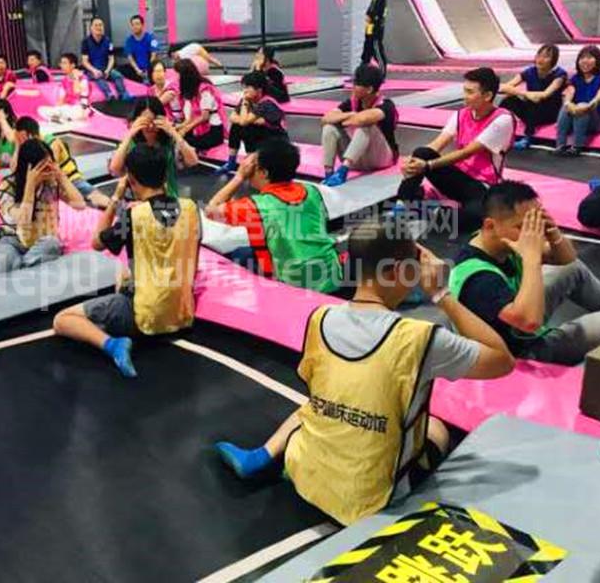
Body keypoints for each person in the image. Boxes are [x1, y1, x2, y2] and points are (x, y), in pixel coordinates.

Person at [214, 221, 514, 526]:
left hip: (306, 475)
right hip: (369, 502)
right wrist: (441, 295)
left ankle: (264, 455)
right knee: (435, 427)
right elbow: (502, 360)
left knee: (320, 402)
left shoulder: (320, 317)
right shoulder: (420, 338)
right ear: (398, 271)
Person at [53, 143, 201, 378]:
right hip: (182, 311)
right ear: (165, 175)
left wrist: (115, 198)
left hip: (146, 314)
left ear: (130, 179)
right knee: (124, 271)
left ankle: (114, 344)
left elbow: (96, 242)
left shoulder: (134, 215)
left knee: (62, 320)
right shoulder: (191, 209)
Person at [450, 180, 600, 366]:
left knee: (571, 269)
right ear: (490, 226)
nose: (532, 234)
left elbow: (568, 259)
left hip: (519, 319)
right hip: (517, 354)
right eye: (522, 227)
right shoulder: (479, 279)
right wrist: (531, 257)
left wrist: (553, 232)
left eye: (534, 224)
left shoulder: (498, 241)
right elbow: (529, 322)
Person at [206, 142, 341, 293]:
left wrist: (239, 177)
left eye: (253, 166)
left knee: (239, 254)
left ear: (264, 173)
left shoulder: (256, 206)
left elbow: (211, 210)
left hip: (295, 287)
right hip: (332, 276)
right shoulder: (312, 191)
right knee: (246, 251)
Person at [396, 67, 513, 232]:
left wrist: (428, 166)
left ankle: (430, 211)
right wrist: (413, 161)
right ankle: (404, 202)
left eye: (470, 92)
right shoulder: (461, 114)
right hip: (458, 177)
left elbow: (467, 152)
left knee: (474, 218)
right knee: (422, 152)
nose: (465, 96)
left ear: (487, 96)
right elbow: (436, 144)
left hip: (482, 185)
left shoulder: (503, 120)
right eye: (465, 90)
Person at [0, 138, 85, 278]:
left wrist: (61, 176)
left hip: (43, 241)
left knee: (51, 244)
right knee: (3, 261)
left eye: (50, 164)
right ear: (28, 168)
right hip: (13, 240)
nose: (47, 171)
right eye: (42, 167)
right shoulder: (8, 186)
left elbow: (80, 204)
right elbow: (22, 221)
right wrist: (31, 185)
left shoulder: (52, 182)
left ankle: (18, 269)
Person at [320, 64, 398, 186]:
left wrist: (343, 118)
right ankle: (328, 173)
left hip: (381, 159)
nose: (353, 87)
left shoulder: (386, 105)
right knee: (329, 127)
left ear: (369, 89)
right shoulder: (352, 103)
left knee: (367, 126)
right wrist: (350, 114)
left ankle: (343, 171)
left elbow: (362, 119)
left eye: (356, 84)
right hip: (359, 159)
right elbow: (326, 119)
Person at [10, 116, 111, 208]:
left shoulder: (52, 143)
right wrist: (18, 146)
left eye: (21, 138)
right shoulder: (27, 147)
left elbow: (50, 171)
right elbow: (14, 170)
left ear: (28, 135)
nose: (20, 141)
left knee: (94, 197)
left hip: (70, 179)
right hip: (50, 184)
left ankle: (114, 206)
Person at [109, 96, 199, 198]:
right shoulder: (128, 143)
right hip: (136, 201)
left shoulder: (169, 142)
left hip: (167, 198)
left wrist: (173, 132)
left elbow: (193, 161)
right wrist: (130, 133)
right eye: (145, 121)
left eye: (155, 121)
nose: (151, 126)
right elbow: (115, 169)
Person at [215, 70, 288, 174]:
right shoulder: (249, 99)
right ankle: (231, 162)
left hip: (275, 140)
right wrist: (246, 118)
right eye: (244, 87)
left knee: (247, 126)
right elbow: (232, 117)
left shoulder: (266, 103)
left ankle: (252, 161)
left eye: (248, 87)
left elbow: (244, 121)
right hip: (261, 134)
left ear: (259, 90)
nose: (245, 91)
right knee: (237, 126)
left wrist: (244, 105)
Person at [498, 44, 566, 150]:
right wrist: (524, 94)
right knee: (507, 100)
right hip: (530, 110)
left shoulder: (559, 75)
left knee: (533, 102)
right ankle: (499, 131)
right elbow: (503, 87)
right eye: (539, 55)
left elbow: (545, 94)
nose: (541, 59)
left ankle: (528, 137)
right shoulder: (529, 71)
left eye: (546, 57)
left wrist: (523, 94)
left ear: (553, 60)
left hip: (549, 113)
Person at [555, 45, 600, 156]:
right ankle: (560, 145)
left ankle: (577, 146)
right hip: (577, 117)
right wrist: (569, 104)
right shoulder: (575, 78)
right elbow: (569, 92)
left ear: (597, 60)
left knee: (582, 105)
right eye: (582, 58)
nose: (585, 61)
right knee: (566, 106)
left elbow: (599, 97)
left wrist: (586, 106)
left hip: (598, 119)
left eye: (589, 57)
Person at [175, 58, 226, 151]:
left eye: (178, 74)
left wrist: (186, 129)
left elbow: (204, 116)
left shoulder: (204, 89)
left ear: (185, 75)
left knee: (185, 140)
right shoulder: (193, 90)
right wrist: (180, 126)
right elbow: (191, 117)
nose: (177, 77)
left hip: (214, 130)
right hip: (200, 128)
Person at [81, 17, 130, 101]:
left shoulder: (108, 41)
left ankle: (123, 93)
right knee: (99, 77)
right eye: (96, 25)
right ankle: (108, 94)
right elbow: (84, 61)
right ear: (91, 27)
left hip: (105, 68)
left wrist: (108, 70)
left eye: (100, 25)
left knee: (118, 75)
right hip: (92, 70)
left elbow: (111, 58)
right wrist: (94, 71)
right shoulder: (85, 42)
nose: (98, 27)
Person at [38, 52, 91, 123]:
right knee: (41, 110)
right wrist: (56, 109)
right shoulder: (64, 80)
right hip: (67, 107)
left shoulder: (83, 78)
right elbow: (61, 99)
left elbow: (78, 92)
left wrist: (76, 78)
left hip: (79, 108)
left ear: (73, 65)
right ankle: (60, 119)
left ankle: (60, 119)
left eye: (64, 63)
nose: (61, 65)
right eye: (61, 63)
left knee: (70, 111)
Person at [361, 0, 388, 78]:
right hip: (369, 31)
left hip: (376, 32)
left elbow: (377, 16)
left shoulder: (381, 0)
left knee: (378, 53)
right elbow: (368, 14)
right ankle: (362, 75)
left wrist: (371, 17)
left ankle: (382, 74)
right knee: (366, 53)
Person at [122, 14, 159, 83]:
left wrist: (148, 70)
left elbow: (154, 55)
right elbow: (130, 58)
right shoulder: (129, 40)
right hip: (136, 70)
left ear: (142, 25)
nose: (135, 27)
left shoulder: (151, 38)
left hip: (150, 69)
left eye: (137, 24)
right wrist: (137, 70)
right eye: (133, 25)